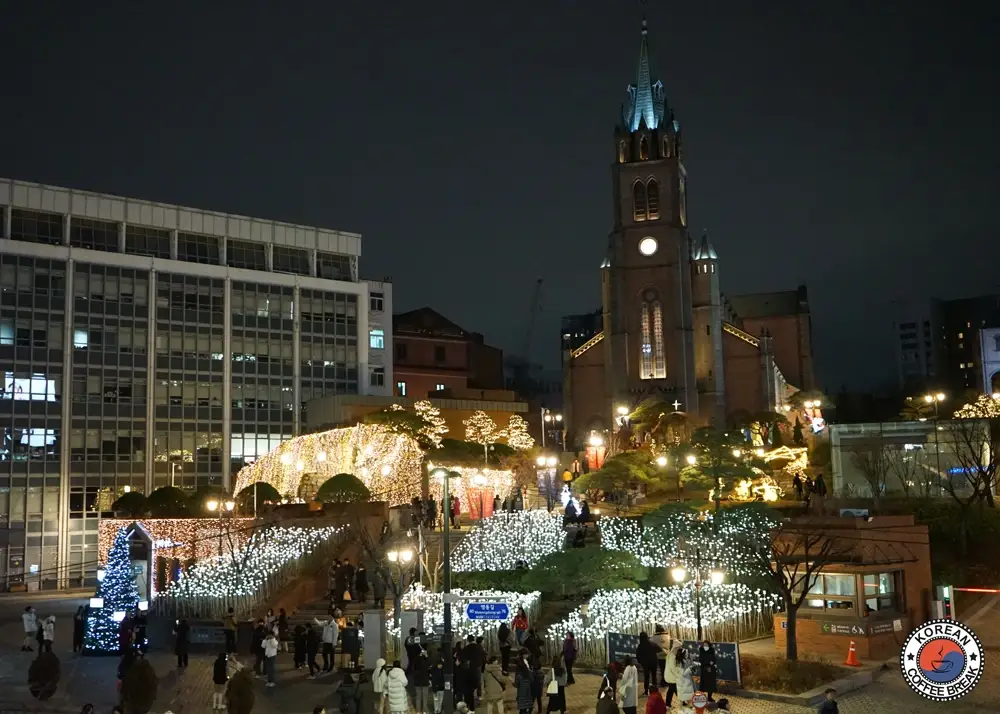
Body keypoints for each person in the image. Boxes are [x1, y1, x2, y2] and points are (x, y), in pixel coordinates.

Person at [412, 649, 432, 714]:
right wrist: (426, 655)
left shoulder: (416, 661)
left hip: (417, 682)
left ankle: (418, 711)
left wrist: (421, 654)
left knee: (418, 697)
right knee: (425, 697)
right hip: (424, 682)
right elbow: (429, 664)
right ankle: (425, 711)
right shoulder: (425, 662)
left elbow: (415, 665)